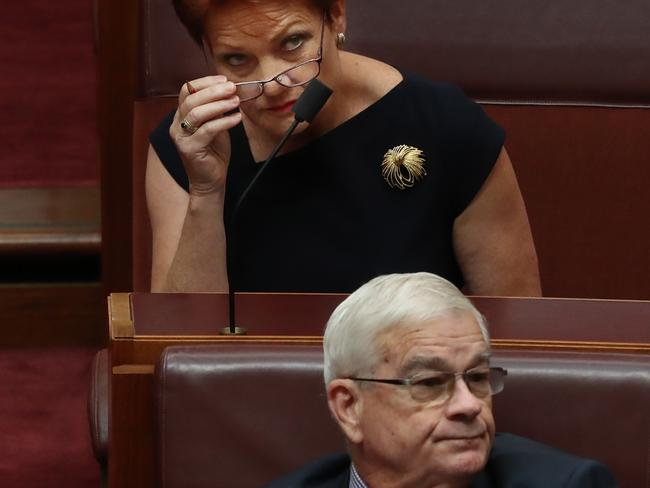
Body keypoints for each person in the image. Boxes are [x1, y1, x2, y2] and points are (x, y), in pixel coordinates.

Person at [146, 0, 542, 295]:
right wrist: (206, 192)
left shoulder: (445, 126)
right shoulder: (190, 140)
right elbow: (179, 345)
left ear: (336, 15)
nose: (271, 83)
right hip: (250, 394)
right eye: (236, 60)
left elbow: (518, 333)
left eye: (292, 43)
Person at [264, 272, 617, 487]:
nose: (469, 405)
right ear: (349, 406)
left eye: (478, 377)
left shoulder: (567, 485)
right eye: (430, 383)